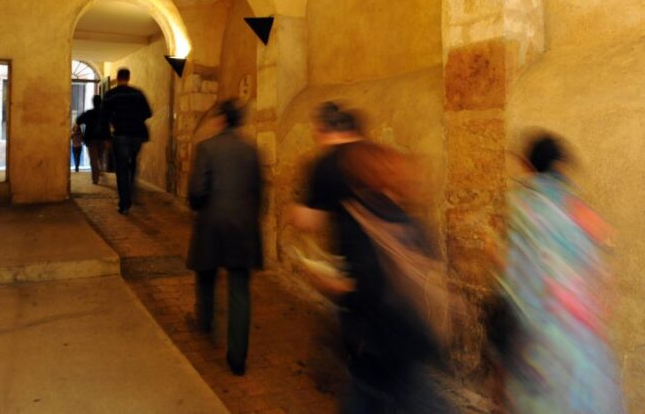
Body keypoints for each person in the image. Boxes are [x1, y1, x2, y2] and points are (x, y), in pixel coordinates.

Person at [288, 101, 454, 414]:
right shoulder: (399, 215)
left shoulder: (332, 176)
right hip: (404, 321)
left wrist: (328, 280)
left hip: (377, 325)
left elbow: (364, 281)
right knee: (389, 389)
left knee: (392, 391)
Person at [495, 133, 626, 413]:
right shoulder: (575, 204)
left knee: (544, 396)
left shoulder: (526, 206)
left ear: (529, 165)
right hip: (582, 325)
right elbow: (599, 256)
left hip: (544, 324)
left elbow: (520, 271)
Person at [186, 99, 263, 376]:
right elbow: (258, 193)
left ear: (221, 120)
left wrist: (196, 207)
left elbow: (197, 190)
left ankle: (205, 322)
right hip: (243, 227)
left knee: (206, 274)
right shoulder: (252, 151)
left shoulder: (207, 148)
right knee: (239, 289)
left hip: (212, 223)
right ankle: (238, 357)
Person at [102, 68, 152, 214]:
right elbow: (148, 113)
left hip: (121, 134)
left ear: (117, 78)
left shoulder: (110, 94)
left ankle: (125, 202)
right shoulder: (138, 93)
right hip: (137, 135)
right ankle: (131, 191)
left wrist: (106, 136)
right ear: (128, 78)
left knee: (122, 168)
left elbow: (104, 117)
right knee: (132, 163)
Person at [77, 94, 110, 184]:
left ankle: (95, 179)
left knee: (93, 159)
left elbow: (78, 120)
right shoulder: (105, 113)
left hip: (91, 139)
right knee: (100, 156)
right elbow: (108, 126)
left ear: (93, 102)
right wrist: (108, 138)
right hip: (102, 139)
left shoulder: (89, 113)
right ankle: (100, 170)